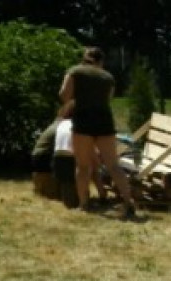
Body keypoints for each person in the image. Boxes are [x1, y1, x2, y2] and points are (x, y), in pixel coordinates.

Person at [58, 46, 136, 219]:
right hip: (104, 121)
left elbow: (64, 95)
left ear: (84, 59)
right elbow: (108, 100)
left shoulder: (74, 71)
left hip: (83, 120)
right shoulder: (108, 77)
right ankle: (128, 202)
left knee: (83, 166)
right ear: (101, 61)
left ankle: (84, 204)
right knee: (113, 165)